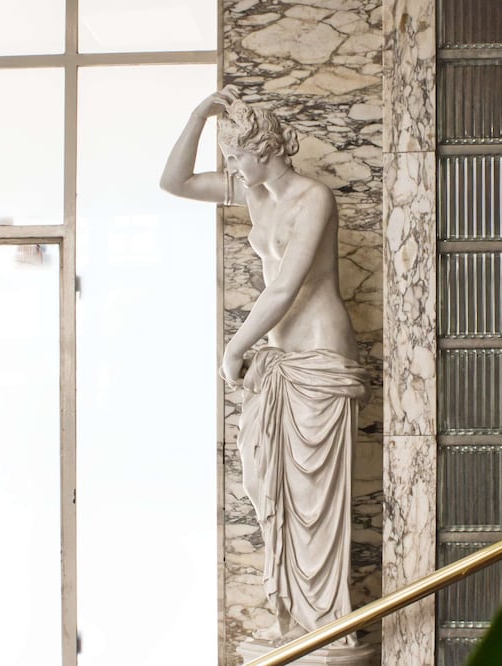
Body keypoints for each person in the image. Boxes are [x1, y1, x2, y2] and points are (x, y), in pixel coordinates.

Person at [160, 86, 368, 647]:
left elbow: (284, 288)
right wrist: (199, 114)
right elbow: (174, 183)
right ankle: (294, 618)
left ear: (265, 150)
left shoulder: (314, 198)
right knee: (264, 483)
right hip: (278, 362)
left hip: (320, 356)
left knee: (313, 498)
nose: (229, 167)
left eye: (234, 157)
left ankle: (324, 624)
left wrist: (233, 349)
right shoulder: (254, 193)